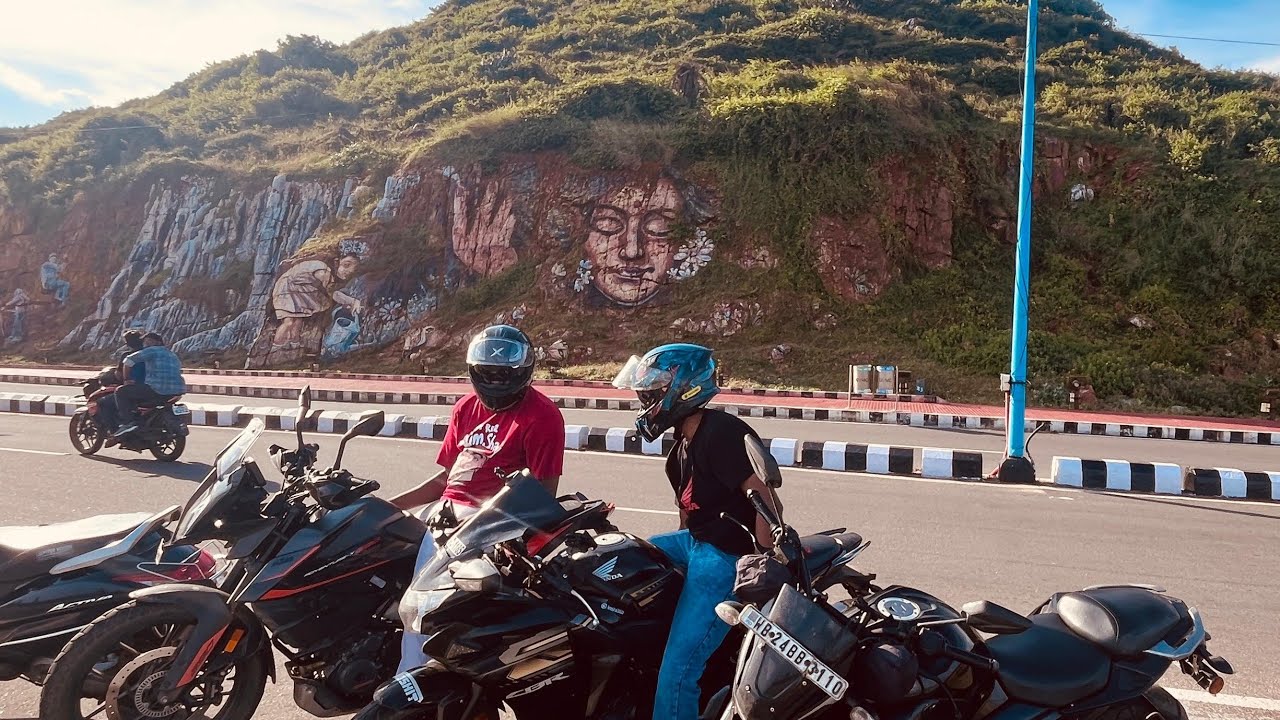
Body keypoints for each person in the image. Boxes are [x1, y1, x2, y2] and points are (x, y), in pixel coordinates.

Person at [612, 343, 783, 720]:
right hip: (695, 543)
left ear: (683, 388)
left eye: (653, 391)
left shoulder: (721, 432)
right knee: (625, 554)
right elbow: (686, 520)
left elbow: (765, 500)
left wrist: (767, 558)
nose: (645, 401)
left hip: (725, 554)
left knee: (678, 671)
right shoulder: (679, 452)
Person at [388, 324, 566, 673]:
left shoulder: (542, 415)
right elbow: (445, 479)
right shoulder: (466, 407)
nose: (495, 381)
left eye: (503, 374)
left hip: (487, 526)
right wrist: (389, 507)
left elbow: (542, 494)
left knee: (425, 611)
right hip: (442, 517)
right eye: (488, 373)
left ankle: (414, 678)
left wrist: (498, 533)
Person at [112, 332, 187, 436]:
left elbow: (128, 361)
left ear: (157, 342)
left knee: (121, 391)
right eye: (144, 342)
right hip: (177, 391)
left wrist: (127, 379)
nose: (145, 344)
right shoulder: (172, 354)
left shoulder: (151, 351)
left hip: (157, 390)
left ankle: (128, 422)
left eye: (147, 341)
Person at [97, 330, 146, 435]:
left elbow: (119, 375)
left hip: (136, 389)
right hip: (153, 389)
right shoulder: (150, 354)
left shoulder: (128, 356)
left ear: (128, 344)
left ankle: (115, 432)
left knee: (103, 402)